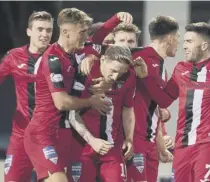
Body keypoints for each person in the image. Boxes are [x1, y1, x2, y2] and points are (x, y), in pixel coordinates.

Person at [23, 8, 111, 182]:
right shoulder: (52, 59)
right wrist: (91, 101)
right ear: (65, 32)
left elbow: (103, 46)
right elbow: (61, 103)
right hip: (43, 132)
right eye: (82, 32)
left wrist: (93, 59)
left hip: (65, 133)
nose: (86, 37)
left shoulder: (75, 55)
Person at [168, 22, 210, 182]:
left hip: (208, 144)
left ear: (204, 45)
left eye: (189, 42)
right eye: (184, 42)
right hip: (181, 145)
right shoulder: (180, 68)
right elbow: (162, 98)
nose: (184, 46)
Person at [68, 45, 135, 182]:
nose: (115, 77)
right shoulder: (84, 72)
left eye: (120, 73)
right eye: (113, 70)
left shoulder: (129, 76)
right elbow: (71, 112)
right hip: (83, 147)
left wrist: (129, 138)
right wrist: (92, 140)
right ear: (103, 59)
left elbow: (128, 108)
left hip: (112, 148)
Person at [1, 11, 54, 182]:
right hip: (21, 133)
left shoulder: (58, 56)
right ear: (29, 31)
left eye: (48, 30)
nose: (44, 34)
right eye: (39, 29)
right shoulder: (14, 56)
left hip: (49, 133)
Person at [127, 16, 180, 182]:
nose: (179, 43)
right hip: (135, 139)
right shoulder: (140, 58)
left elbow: (153, 109)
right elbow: (162, 100)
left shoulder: (160, 63)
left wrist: (160, 147)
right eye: (178, 37)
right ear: (170, 38)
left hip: (149, 142)